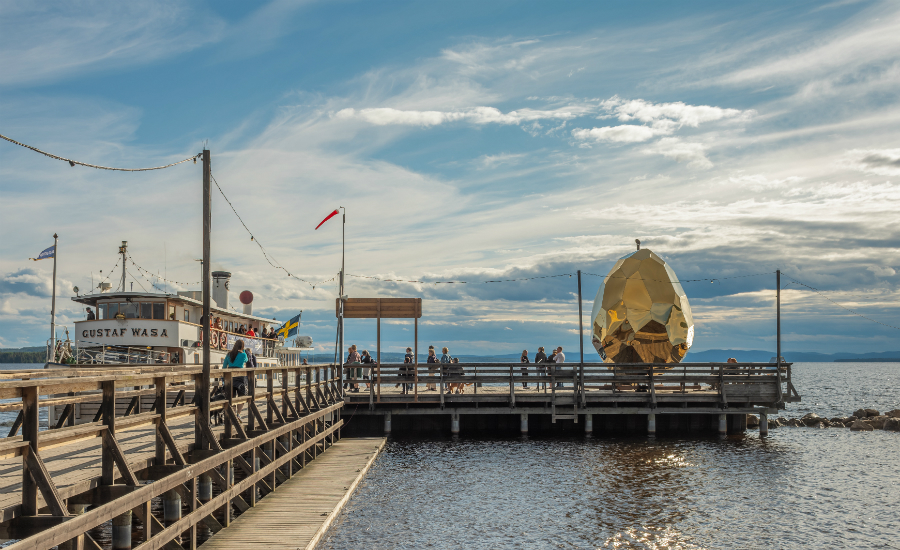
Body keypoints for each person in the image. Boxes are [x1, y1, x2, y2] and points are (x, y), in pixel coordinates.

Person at [223, 340, 249, 416]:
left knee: (232, 397)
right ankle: (238, 414)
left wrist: (223, 378)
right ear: (242, 346)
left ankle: (233, 414)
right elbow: (246, 360)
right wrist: (243, 351)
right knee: (242, 396)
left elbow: (224, 367)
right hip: (240, 377)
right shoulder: (243, 355)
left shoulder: (228, 354)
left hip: (230, 377)